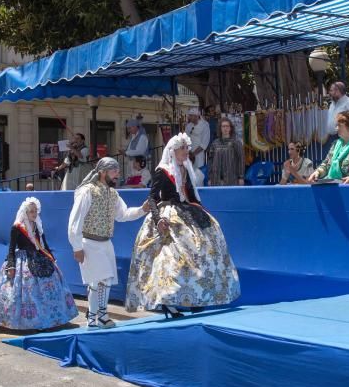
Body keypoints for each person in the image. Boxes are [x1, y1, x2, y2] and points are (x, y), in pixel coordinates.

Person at [125, 133, 241, 318]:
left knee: (203, 249)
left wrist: (203, 213)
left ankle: (196, 298)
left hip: (186, 211)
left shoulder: (187, 169)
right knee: (170, 260)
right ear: (173, 151)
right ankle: (167, 302)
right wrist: (158, 220)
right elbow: (152, 198)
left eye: (187, 148)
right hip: (169, 215)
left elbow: (191, 195)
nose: (187, 152)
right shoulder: (163, 171)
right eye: (183, 149)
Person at [67, 157, 149, 328]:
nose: (117, 175)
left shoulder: (113, 194)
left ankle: (94, 317)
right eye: (114, 171)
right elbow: (76, 220)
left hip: (106, 243)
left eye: (118, 171)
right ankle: (99, 317)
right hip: (89, 242)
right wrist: (77, 247)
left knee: (104, 280)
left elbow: (123, 214)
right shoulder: (87, 191)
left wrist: (142, 210)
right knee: (98, 280)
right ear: (102, 172)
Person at [0, 197, 78, 331]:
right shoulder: (17, 227)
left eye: (36, 211)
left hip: (38, 257)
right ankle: (28, 322)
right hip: (23, 261)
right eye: (31, 211)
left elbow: (44, 245)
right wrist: (11, 265)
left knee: (49, 288)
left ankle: (51, 319)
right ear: (25, 212)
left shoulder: (37, 226)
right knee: (27, 293)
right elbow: (11, 248)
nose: (34, 214)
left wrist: (52, 259)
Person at [206, 116, 245, 186]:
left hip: (232, 179)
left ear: (230, 128)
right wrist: (209, 178)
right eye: (223, 126)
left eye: (227, 126)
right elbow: (210, 161)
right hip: (216, 179)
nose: (225, 128)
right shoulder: (215, 143)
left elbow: (241, 160)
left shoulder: (236, 143)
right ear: (220, 128)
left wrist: (241, 177)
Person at [324, 82, 349, 152]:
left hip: (345, 138)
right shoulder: (332, 104)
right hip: (331, 138)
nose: (329, 93)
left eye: (331, 90)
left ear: (338, 91)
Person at [184, 108, 211, 186]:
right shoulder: (189, 126)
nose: (189, 117)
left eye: (191, 116)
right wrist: (188, 152)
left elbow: (204, 143)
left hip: (199, 155)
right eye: (189, 116)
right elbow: (185, 139)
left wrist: (194, 154)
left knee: (199, 175)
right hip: (189, 155)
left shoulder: (205, 125)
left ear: (196, 116)